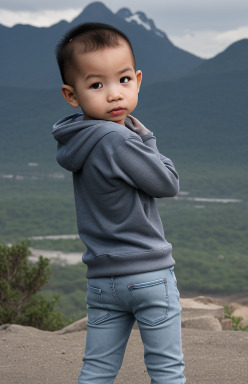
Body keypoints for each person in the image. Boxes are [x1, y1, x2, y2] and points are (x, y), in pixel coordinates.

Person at [53, 22, 186, 384]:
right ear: (71, 93)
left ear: (137, 80)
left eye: (123, 80)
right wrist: (147, 138)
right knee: (166, 371)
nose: (114, 94)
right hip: (147, 275)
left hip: (102, 279)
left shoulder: (78, 139)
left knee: (96, 370)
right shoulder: (118, 139)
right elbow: (167, 183)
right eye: (97, 85)